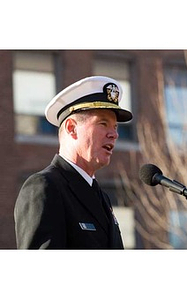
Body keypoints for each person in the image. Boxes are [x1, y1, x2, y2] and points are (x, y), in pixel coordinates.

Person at [14, 76, 132, 249]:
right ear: (71, 128)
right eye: (103, 123)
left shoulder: (102, 197)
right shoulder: (43, 188)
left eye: (115, 127)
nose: (114, 134)